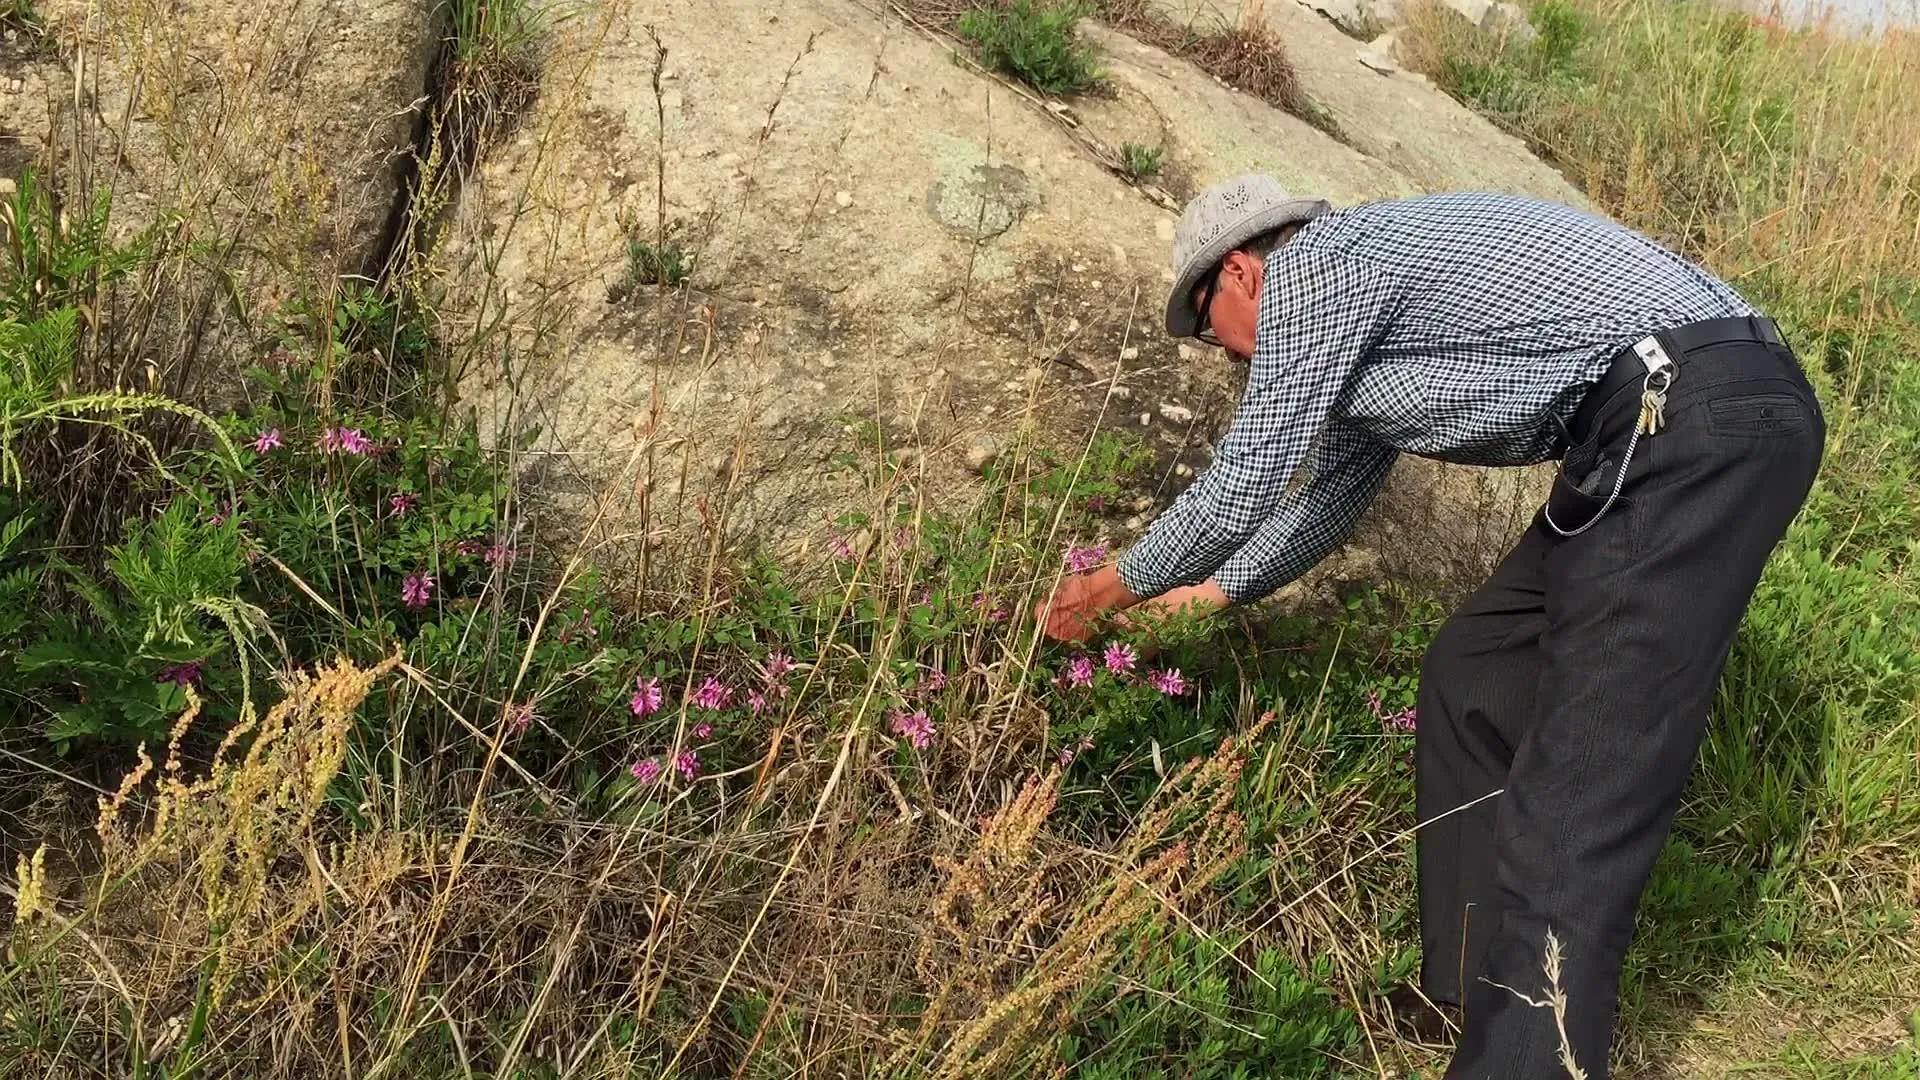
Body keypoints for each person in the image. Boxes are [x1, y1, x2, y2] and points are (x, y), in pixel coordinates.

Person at [1034, 175, 1823, 1078]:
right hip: (1667, 418)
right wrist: (1212, 593)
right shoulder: (1364, 321)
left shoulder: (1320, 268)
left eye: (1211, 331)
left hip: (1688, 412)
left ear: (1242, 271)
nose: (1228, 358)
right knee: (1477, 670)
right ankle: (1462, 986)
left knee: (1584, 771)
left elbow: (1250, 473)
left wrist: (1104, 592)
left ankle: (1522, 1061)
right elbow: (1325, 500)